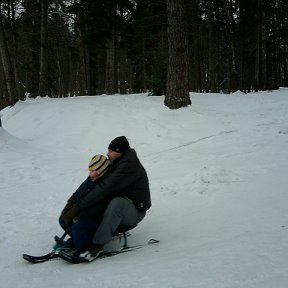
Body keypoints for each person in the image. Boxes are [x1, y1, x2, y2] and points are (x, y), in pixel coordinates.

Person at [77, 136, 151, 262]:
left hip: (136, 211)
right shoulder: (118, 162)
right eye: (108, 150)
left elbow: (106, 187)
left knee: (117, 204)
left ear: (120, 152)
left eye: (111, 151)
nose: (108, 153)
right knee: (104, 202)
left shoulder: (128, 166)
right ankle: (84, 236)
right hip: (126, 204)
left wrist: (81, 205)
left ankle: (97, 245)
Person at [59, 154, 112, 253]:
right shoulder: (90, 179)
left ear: (101, 171)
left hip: (96, 217)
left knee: (77, 228)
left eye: (93, 171)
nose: (90, 174)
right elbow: (78, 193)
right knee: (63, 220)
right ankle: (78, 240)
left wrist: (77, 215)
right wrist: (69, 205)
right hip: (84, 213)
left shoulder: (105, 185)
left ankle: (84, 247)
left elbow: (98, 206)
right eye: (90, 171)